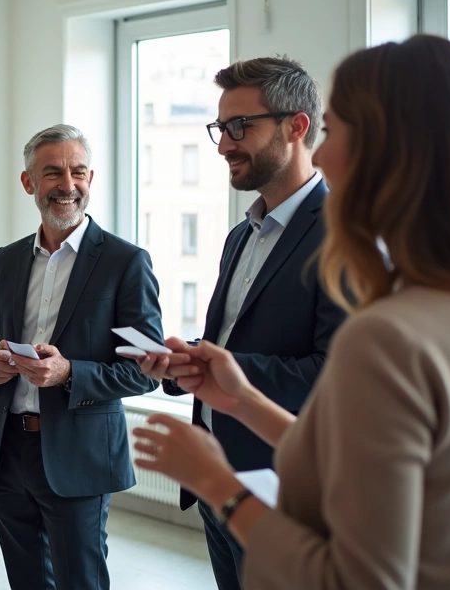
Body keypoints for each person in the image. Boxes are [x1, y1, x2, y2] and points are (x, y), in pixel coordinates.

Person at [132, 34, 450, 589]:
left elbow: (359, 579)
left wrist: (219, 485)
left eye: (334, 130)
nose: (319, 154)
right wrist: (242, 399)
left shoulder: (391, 332)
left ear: (391, 152)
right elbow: (364, 461)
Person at [157, 56, 345, 590]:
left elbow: (332, 376)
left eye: (240, 126)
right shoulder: (240, 235)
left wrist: (225, 369)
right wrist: (186, 361)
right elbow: (232, 342)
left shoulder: (342, 237)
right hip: (217, 481)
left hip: (283, 486)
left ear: (297, 126)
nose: (223, 145)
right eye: (220, 128)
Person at [0, 124, 163, 590]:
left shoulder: (125, 262)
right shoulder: (7, 259)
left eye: (78, 172)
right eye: (53, 172)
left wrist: (68, 372)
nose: (67, 184)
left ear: (90, 179)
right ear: (28, 182)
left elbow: (147, 371)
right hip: (8, 453)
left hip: (80, 456)